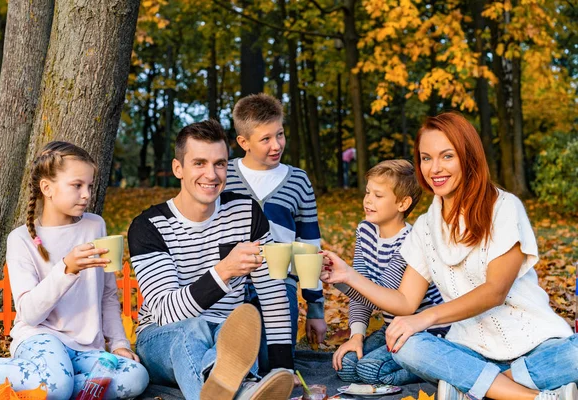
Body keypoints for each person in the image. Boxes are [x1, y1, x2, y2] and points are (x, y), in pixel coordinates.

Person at [321, 112, 578, 400]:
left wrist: (426, 319)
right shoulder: (425, 227)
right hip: (468, 348)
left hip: (536, 344)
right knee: (408, 345)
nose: (434, 168)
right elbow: (405, 301)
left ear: (467, 157)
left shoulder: (504, 207)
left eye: (446, 156)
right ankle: (534, 395)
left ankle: (477, 386)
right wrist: (347, 275)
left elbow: (495, 291)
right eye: (426, 158)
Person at [128, 120, 295, 400]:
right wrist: (224, 271)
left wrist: (284, 369)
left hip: (229, 338)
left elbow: (272, 294)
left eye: (220, 164)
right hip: (164, 338)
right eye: (200, 163)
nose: (212, 174)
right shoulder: (150, 226)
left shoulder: (246, 213)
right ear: (178, 168)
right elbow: (166, 313)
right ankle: (244, 388)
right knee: (193, 328)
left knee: (239, 329)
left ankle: (233, 390)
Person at [0, 141, 148, 400]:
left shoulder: (95, 226)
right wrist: (66, 269)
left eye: (89, 186)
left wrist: (120, 344)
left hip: (87, 349)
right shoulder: (20, 239)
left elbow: (108, 296)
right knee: (57, 384)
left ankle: (54, 386)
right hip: (40, 338)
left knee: (135, 376)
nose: (87, 194)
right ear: (47, 188)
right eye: (77, 185)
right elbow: (30, 314)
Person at [225, 93, 327, 371]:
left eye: (280, 134)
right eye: (266, 139)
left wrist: (315, 309)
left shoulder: (298, 181)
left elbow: (309, 247)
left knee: (273, 364)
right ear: (243, 142)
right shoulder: (223, 176)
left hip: (280, 286)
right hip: (230, 286)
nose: (277, 145)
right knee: (237, 363)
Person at [332, 160, 448, 386]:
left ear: (403, 203)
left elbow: (383, 297)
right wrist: (356, 337)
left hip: (425, 331)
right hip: (391, 326)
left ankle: (433, 370)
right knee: (346, 365)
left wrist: (342, 278)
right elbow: (362, 290)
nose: (368, 200)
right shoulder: (365, 231)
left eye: (378, 195)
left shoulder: (409, 241)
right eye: (367, 192)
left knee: (369, 370)